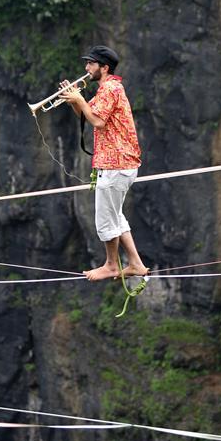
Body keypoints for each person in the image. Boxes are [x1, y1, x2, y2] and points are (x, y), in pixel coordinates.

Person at [60, 45, 148, 281]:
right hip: (119, 164)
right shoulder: (107, 89)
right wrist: (74, 101)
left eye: (91, 63)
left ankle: (111, 265)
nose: (86, 68)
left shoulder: (110, 88)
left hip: (116, 164)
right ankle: (136, 264)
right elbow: (87, 115)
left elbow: (97, 121)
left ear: (104, 67)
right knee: (116, 216)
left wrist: (79, 98)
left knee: (105, 219)